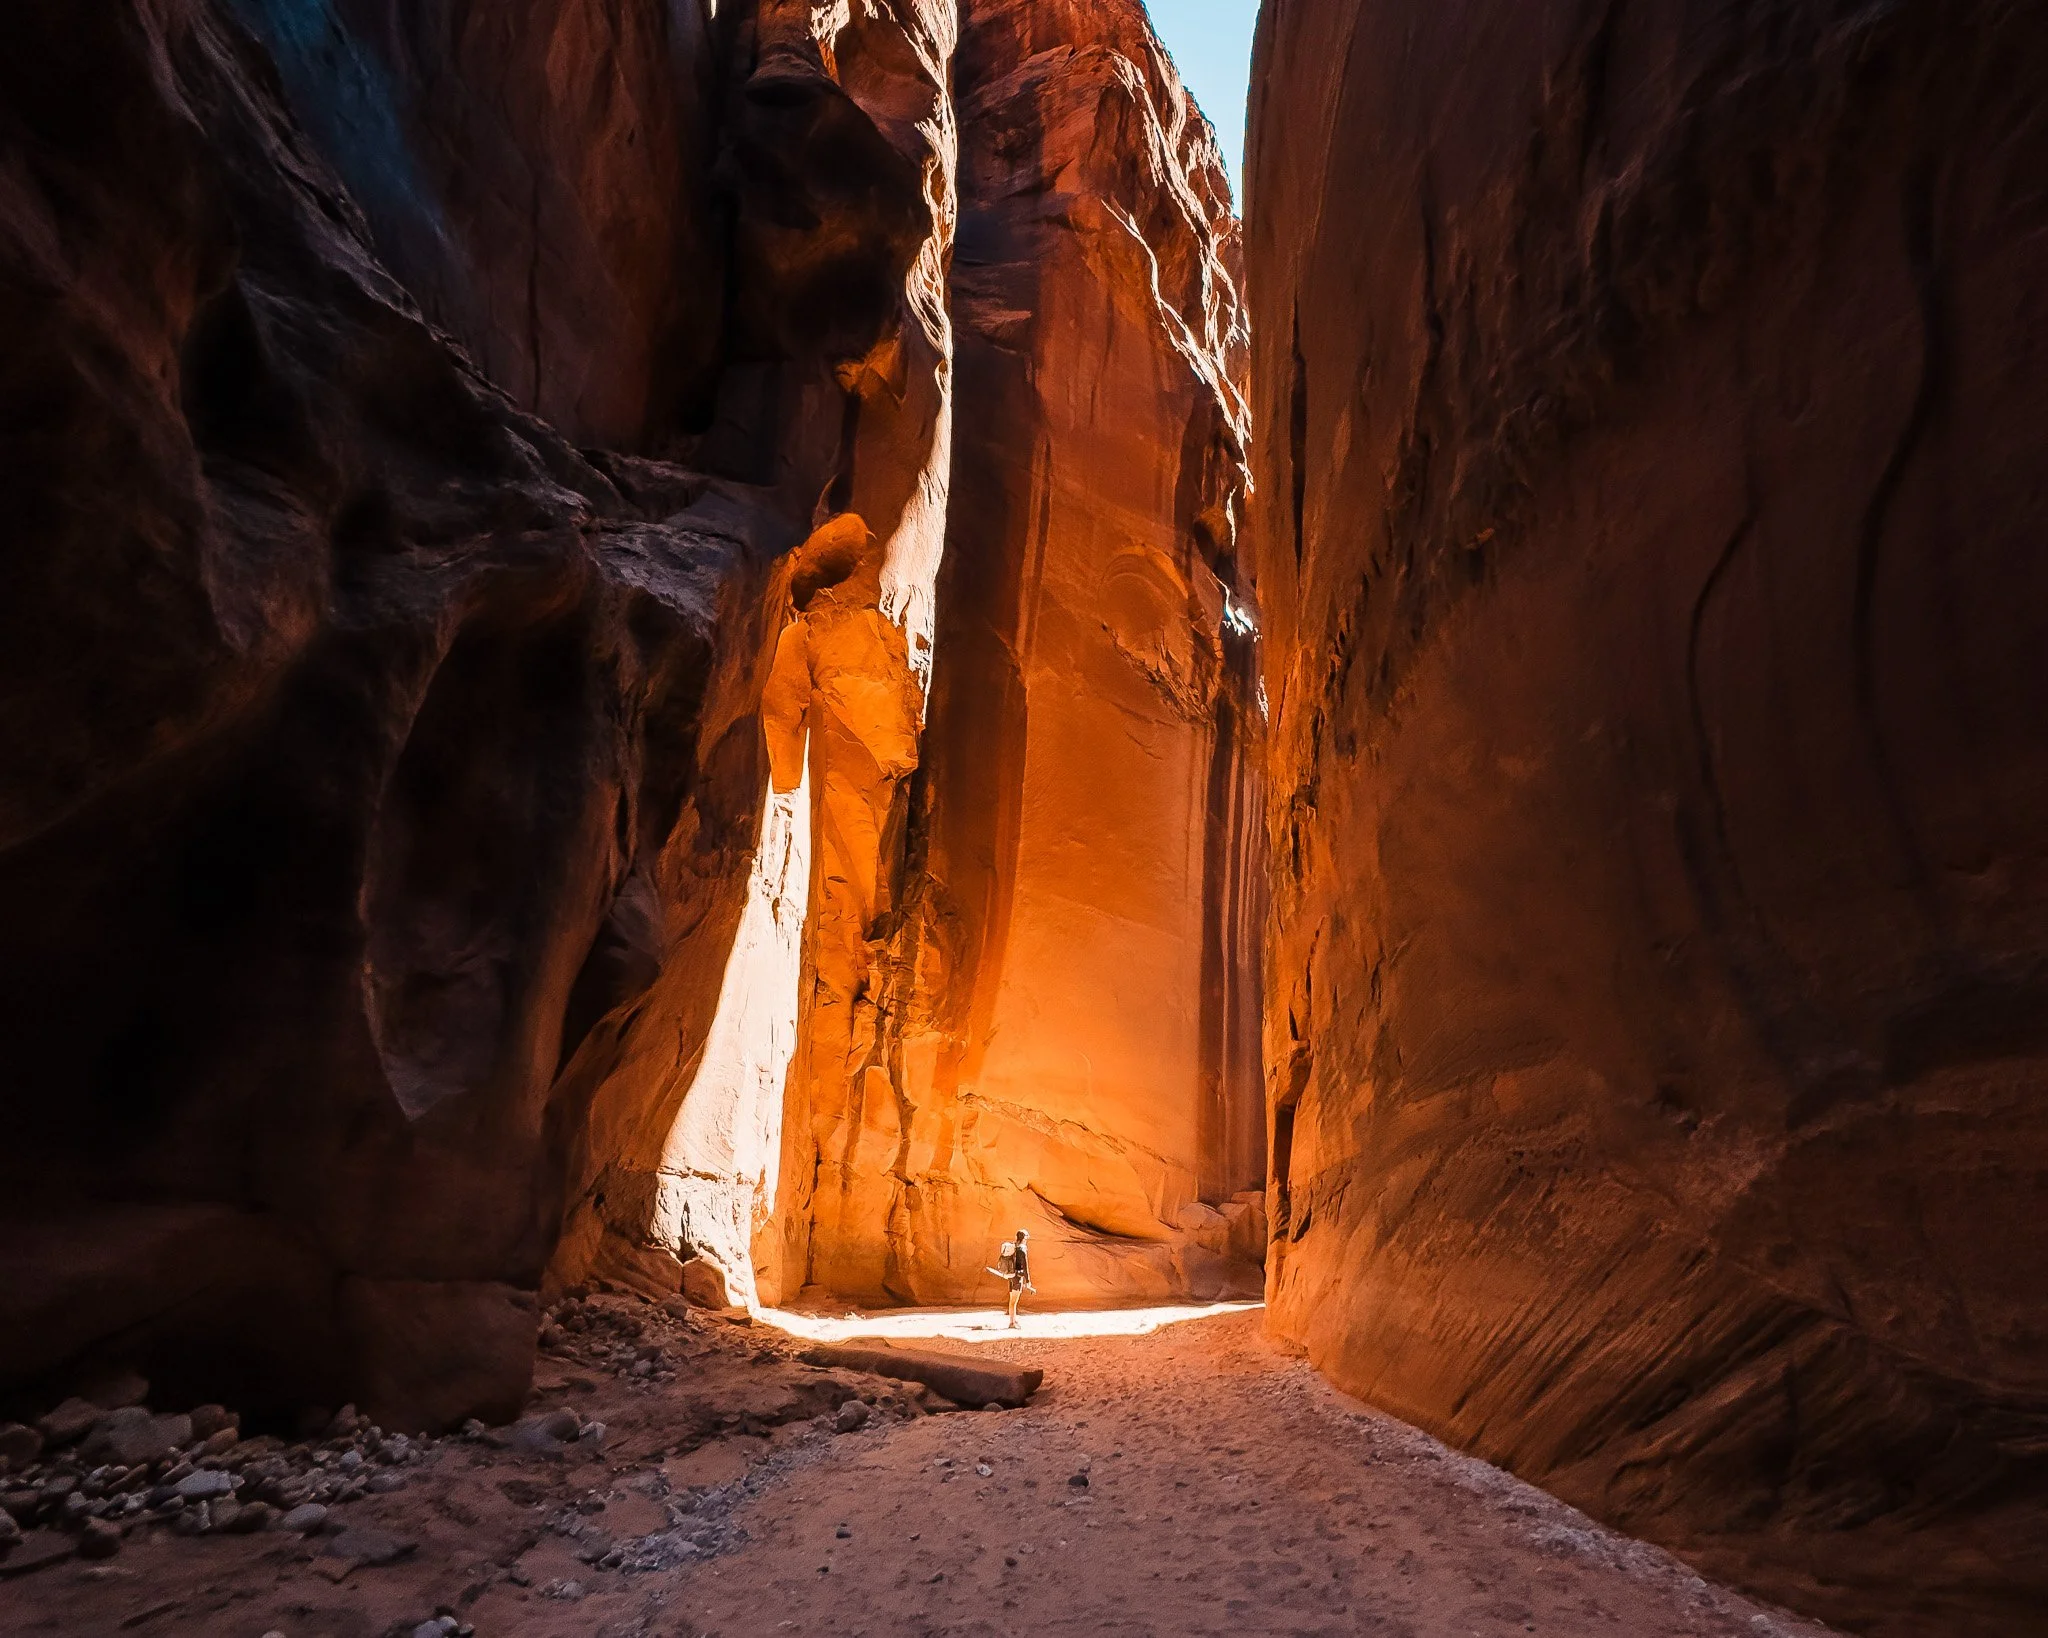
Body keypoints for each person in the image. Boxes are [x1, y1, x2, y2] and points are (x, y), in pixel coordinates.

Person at [1002, 1227, 1034, 1329]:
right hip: (1017, 1278)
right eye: (1026, 1237)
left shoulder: (1014, 1247)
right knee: (1013, 1302)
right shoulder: (1022, 1249)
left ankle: (1014, 1320)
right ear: (1024, 1238)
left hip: (1011, 1276)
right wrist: (1028, 1280)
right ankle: (1012, 1323)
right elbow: (1025, 1266)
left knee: (1012, 1301)